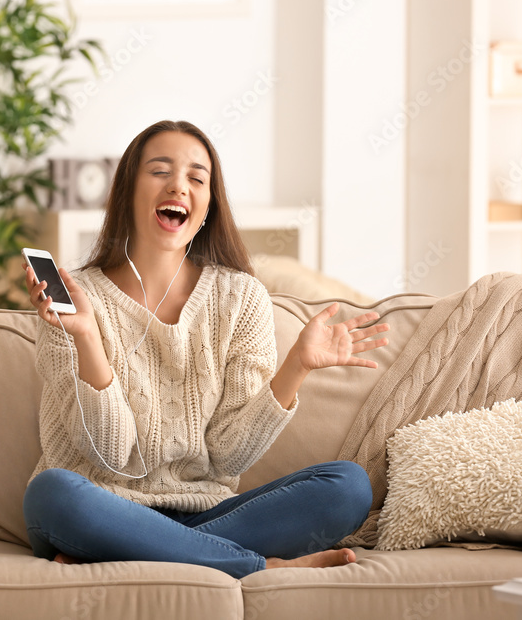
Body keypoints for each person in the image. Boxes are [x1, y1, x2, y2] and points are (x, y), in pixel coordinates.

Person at [21, 120, 389, 578]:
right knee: (52, 495)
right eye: (160, 171)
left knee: (347, 487)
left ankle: (140, 551)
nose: (179, 185)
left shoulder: (241, 298)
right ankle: (255, 564)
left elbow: (227, 457)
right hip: (102, 506)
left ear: (208, 204)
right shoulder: (74, 300)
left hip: (209, 516)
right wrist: (88, 337)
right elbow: (110, 456)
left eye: (197, 178)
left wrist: (297, 365)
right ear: (127, 190)